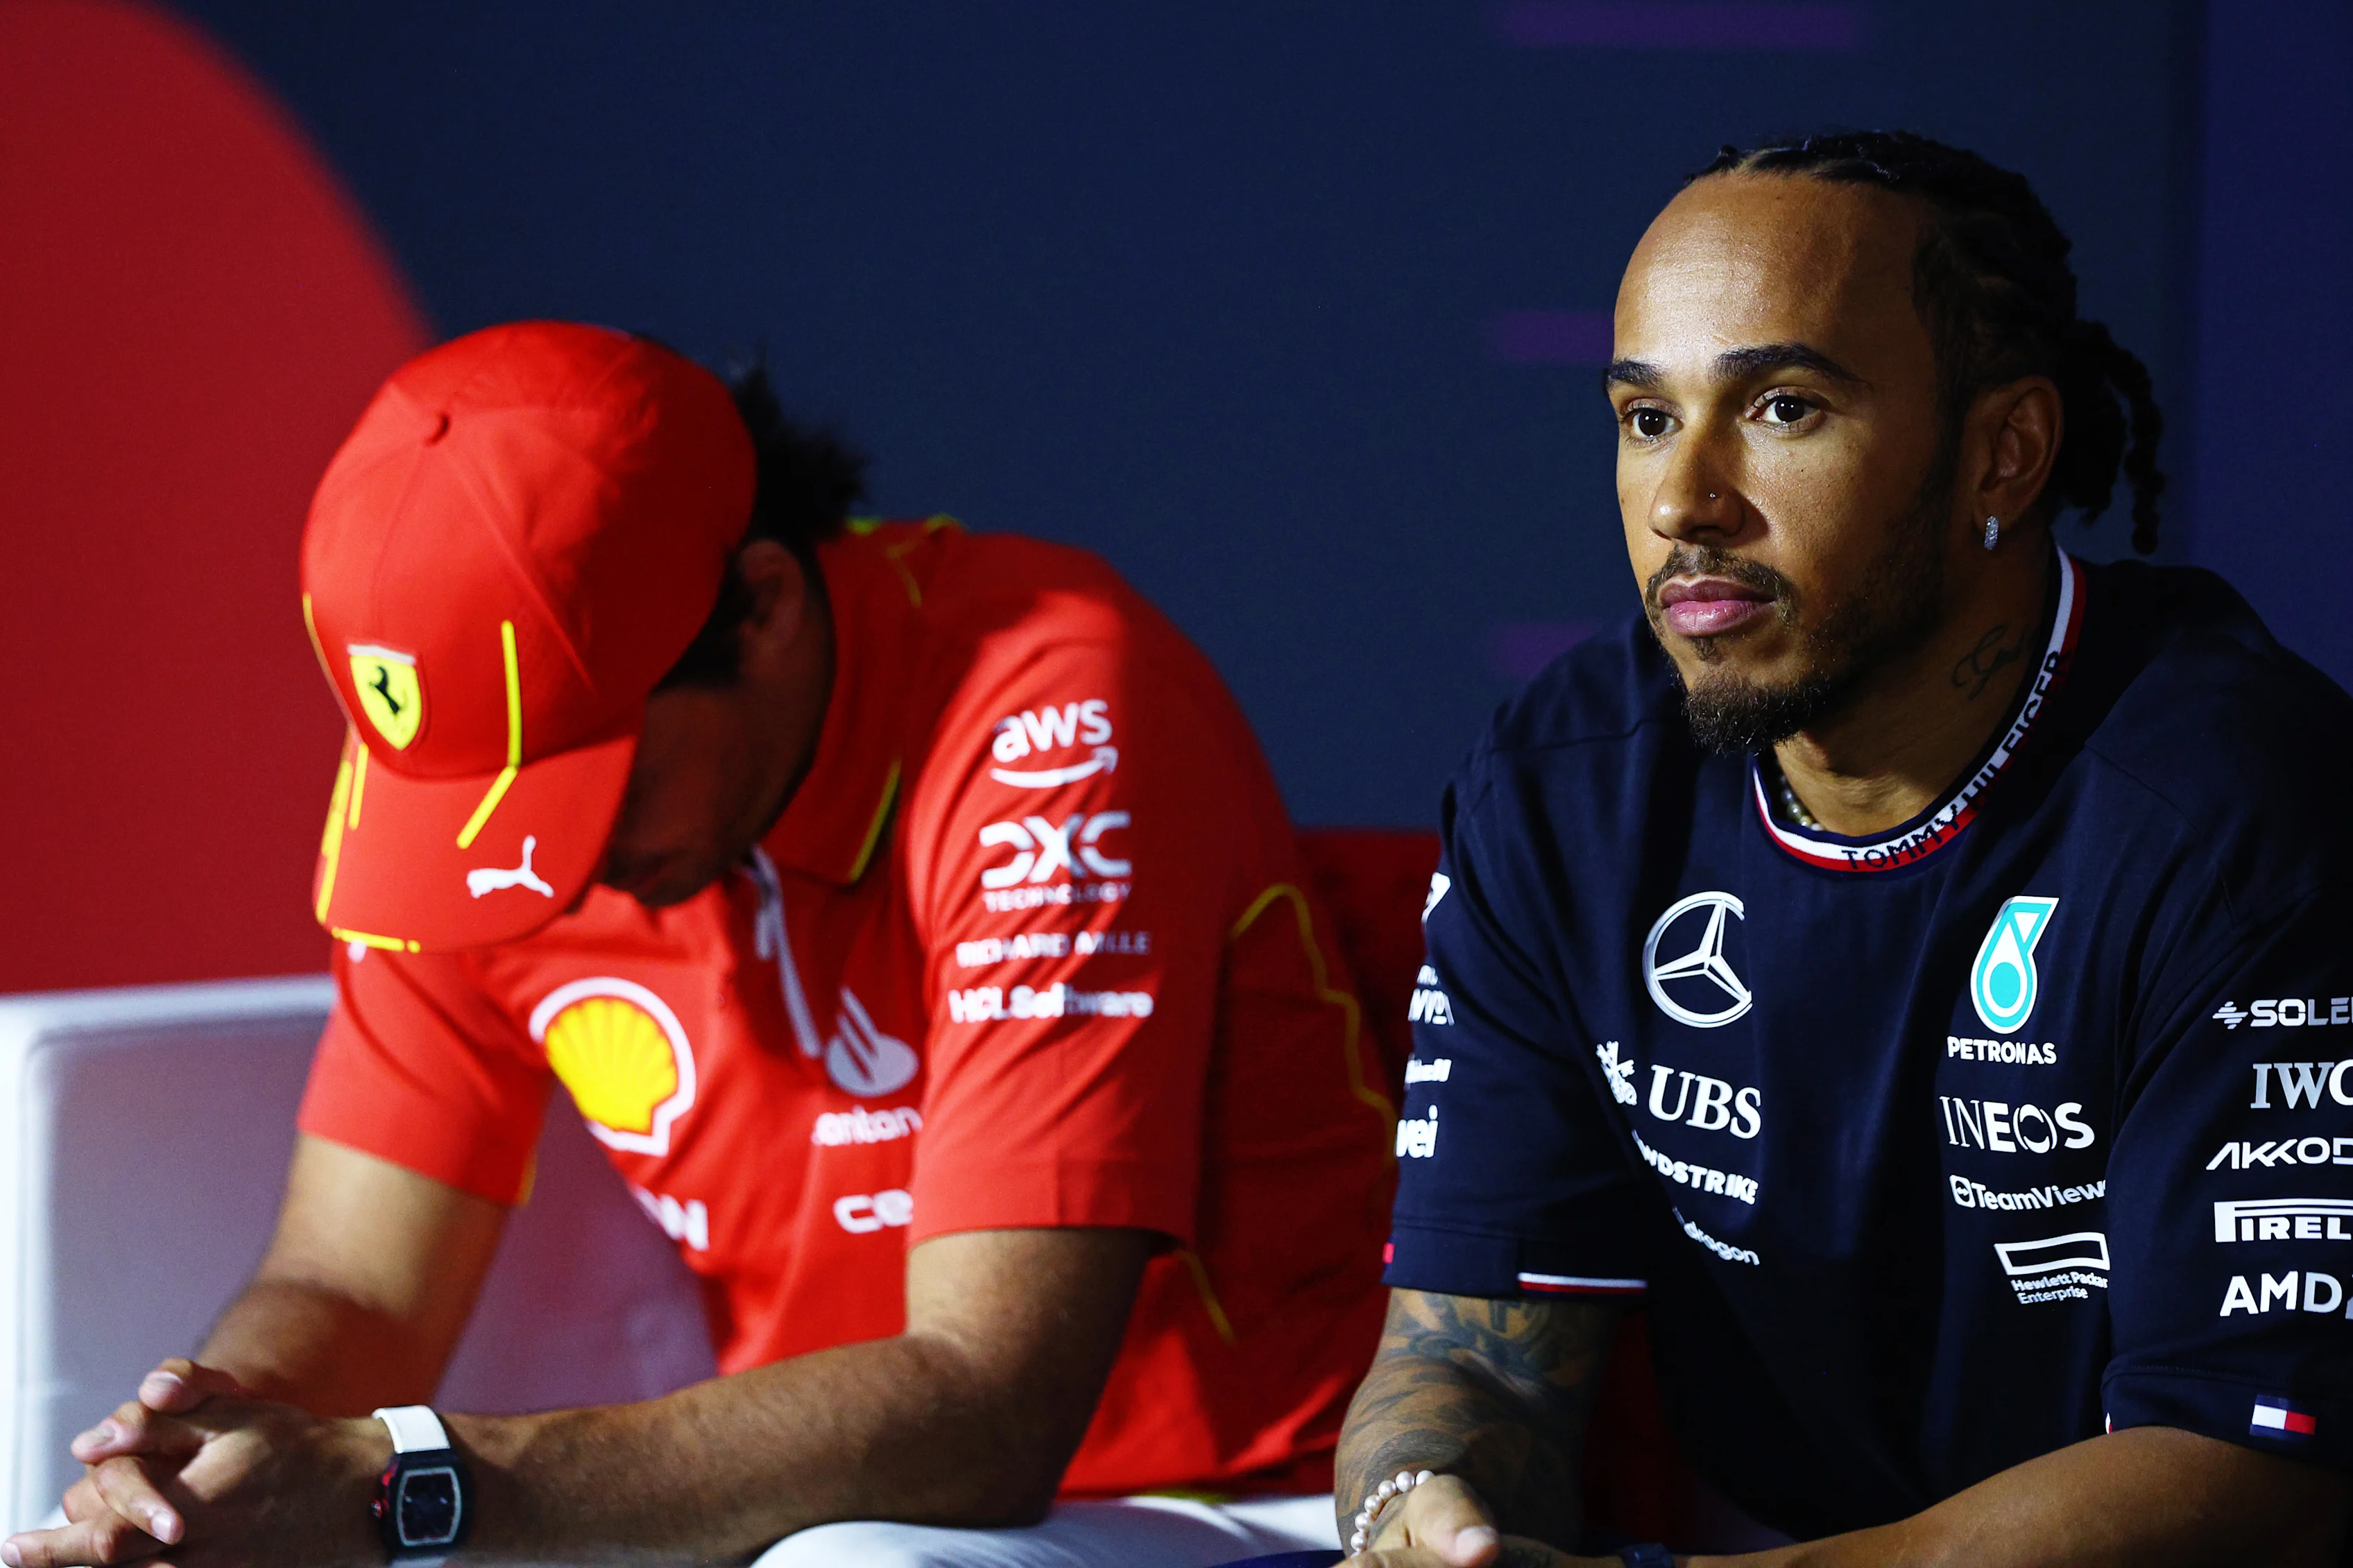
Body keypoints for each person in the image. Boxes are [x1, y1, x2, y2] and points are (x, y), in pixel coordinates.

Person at [6, 322, 1395, 1568]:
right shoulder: (469, 777)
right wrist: (204, 1465)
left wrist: (410, 1481)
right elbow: (354, 1280)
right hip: (817, 1503)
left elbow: (990, 1400)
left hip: (1257, 1495)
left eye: (584, 786)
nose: (537, 868)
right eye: (480, 807)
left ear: (766, 604)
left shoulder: (1050, 702)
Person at [1335, 131, 2353, 1567]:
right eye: (1643, 419)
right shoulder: (1559, 790)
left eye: (1784, 406)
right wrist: (1421, 1519)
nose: (1684, 499)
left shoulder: (2237, 807)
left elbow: (2251, 1469)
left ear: (2004, 447)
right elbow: (1474, 1358)